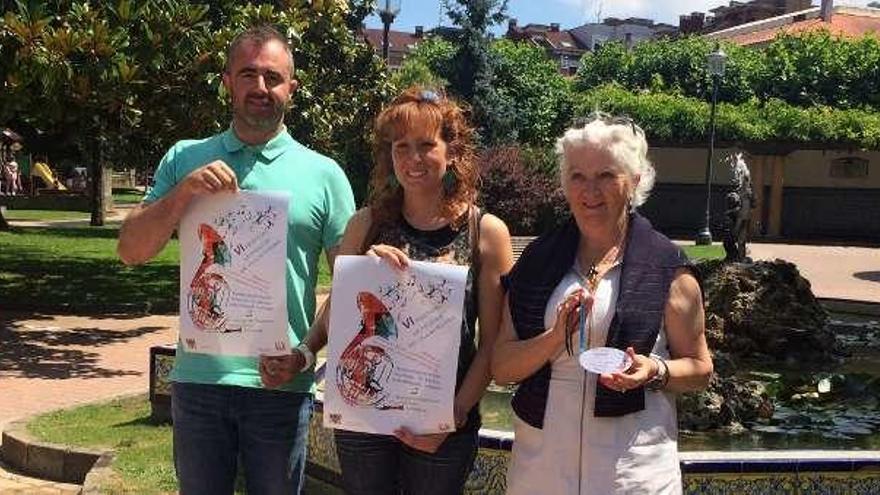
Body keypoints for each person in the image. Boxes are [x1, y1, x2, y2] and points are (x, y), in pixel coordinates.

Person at [117, 25, 355, 495]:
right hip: (200, 380)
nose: (260, 88)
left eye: (273, 77)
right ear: (227, 81)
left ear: (293, 87)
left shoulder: (325, 175)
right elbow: (130, 251)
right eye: (248, 74)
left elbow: (352, 286)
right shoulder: (186, 158)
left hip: (279, 388)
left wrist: (305, 354)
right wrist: (183, 194)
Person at [261, 87, 513, 494]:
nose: (413, 159)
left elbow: (493, 343)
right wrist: (306, 350)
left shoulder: (484, 232)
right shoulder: (366, 225)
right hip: (364, 416)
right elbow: (338, 312)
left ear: (452, 152)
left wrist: (457, 412)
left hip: (442, 422)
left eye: (426, 145)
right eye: (401, 147)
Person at [492, 114, 713, 494]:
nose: (590, 190)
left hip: (632, 475)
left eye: (606, 175)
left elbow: (700, 369)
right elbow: (502, 367)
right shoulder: (537, 261)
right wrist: (553, 338)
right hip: (541, 472)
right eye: (578, 176)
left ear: (635, 181)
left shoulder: (668, 268)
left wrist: (655, 370)